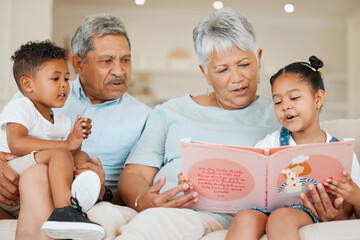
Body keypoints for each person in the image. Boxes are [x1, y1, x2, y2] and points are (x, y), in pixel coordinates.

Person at [115, 8, 280, 239]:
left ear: (259, 58)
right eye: (222, 70)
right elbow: (136, 174)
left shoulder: (280, 113)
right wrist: (143, 201)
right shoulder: (169, 111)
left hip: (229, 218)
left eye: (244, 64)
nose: (237, 78)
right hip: (166, 211)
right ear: (205, 73)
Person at [2, 13, 151, 239]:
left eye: (126, 60)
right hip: (22, 189)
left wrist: (104, 193)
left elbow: (137, 191)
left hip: (93, 200)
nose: (120, 71)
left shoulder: (146, 118)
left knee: (63, 164)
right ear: (78, 64)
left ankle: (68, 209)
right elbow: (10, 142)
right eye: (107, 61)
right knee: (40, 172)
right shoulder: (37, 96)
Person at [225, 56, 360, 240]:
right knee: (244, 217)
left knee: (281, 217)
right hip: (262, 209)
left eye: (294, 98)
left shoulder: (341, 152)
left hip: (304, 212)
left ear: (318, 99)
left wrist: (355, 198)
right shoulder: (270, 143)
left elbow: (354, 210)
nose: (285, 106)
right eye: (278, 102)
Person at [0, 40, 104, 240]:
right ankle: (65, 210)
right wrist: (66, 145)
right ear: (27, 84)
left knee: (80, 155)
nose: (65, 84)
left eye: (66, 78)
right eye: (55, 79)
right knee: (62, 152)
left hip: (32, 181)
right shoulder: (22, 107)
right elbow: (18, 144)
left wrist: (77, 136)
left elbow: (69, 155)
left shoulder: (62, 121)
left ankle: (82, 189)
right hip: (12, 168)